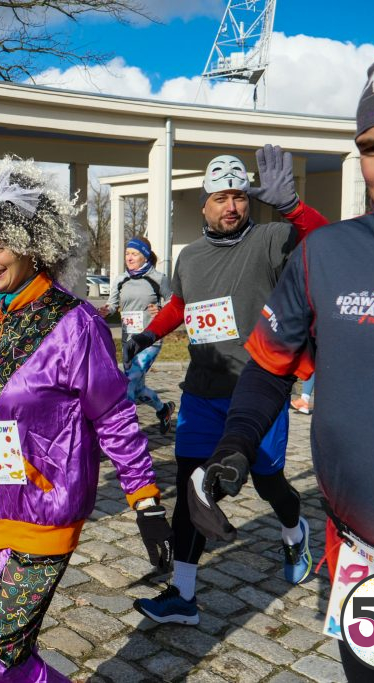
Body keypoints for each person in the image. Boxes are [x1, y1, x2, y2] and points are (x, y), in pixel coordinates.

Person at [188, 30, 374, 681]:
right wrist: (235, 444)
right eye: (373, 148)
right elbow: (268, 367)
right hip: (362, 566)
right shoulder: (328, 254)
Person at [0, 157, 173, 683]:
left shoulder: (76, 324)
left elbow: (115, 416)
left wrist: (146, 502)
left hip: (43, 510)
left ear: (31, 242)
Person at [129, 144, 330, 626]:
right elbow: (181, 305)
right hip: (201, 391)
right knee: (191, 486)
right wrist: (149, 334)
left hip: (258, 390)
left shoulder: (271, 239)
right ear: (204, 204)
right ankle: (182, 594)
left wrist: (292, 207)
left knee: (267, 480)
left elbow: (326, 243)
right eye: (221, 198)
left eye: (239, 196)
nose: (232, 206)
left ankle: (293, 529)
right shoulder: (191, 256)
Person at [98, 236, 175, 434]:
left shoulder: (158, 278)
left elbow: (172, 303)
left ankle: (126, 431)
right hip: (129, 341)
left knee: (129, 382)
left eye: (134, 254)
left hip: (150, 340)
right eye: (127, 253)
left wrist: (161, 310)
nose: (129, 257)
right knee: (138, 389)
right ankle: (164, 410)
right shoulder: (121, 279)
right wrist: (106, 310)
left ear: (145, 256)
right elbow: (112, 304)